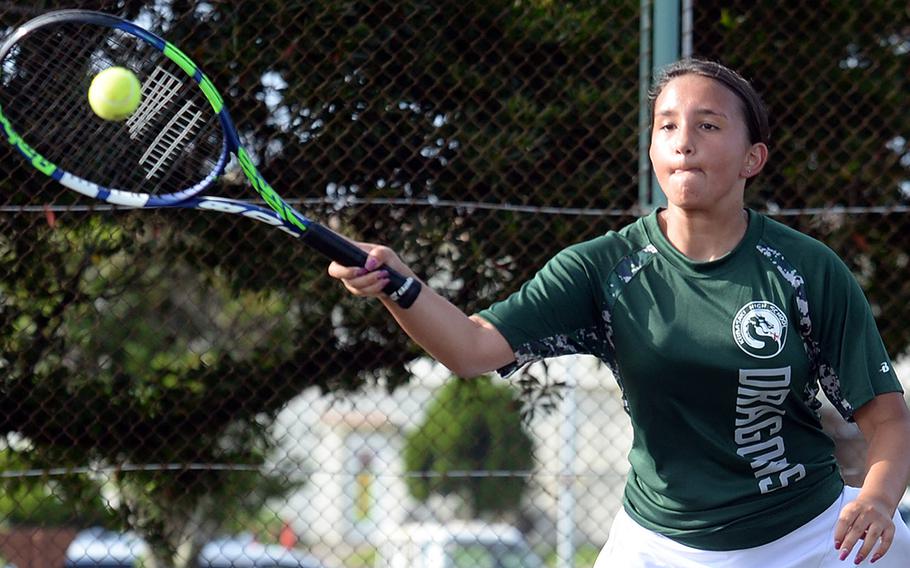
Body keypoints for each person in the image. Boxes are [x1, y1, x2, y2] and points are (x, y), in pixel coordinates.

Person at [327, 58, 910, 567]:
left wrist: (879, 501)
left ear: (752, 158)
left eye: (708, 125)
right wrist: (397, 286)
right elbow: (470, 348)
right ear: (653, 149)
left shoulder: (806, 268)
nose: (685, 140)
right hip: (660, 544)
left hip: (811, 536)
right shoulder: (601, 268)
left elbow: (887, 419)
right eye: (668, 126)